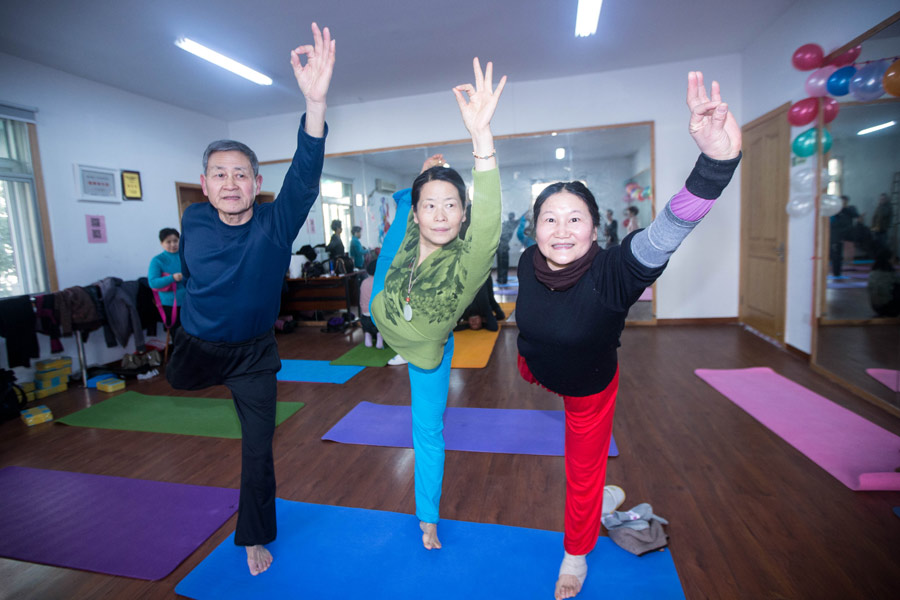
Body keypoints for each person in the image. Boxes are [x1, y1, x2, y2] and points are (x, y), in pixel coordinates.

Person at [515, 71, 741, 600]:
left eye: (576, 219)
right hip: (538, 364)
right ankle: (540, 378)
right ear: (535, 227)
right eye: (551, 219)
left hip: (590, 388)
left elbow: (671, 227)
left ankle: (577, 553)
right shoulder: (528, 260)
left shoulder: (618, 271)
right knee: (534, 356)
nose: (563, 230)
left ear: (596, 228)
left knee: (583, 471)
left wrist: (716, 164)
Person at [164, 22, 334, 576]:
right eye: (220, 174)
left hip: (254, 354)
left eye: (241, 174)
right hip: (195, 344)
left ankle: (255, 536)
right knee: (176, 380)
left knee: (258, 448)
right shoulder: (191, 220)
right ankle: (186, 353)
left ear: (256, 181)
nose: (231, 182)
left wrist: (314, 104)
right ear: (204, 183)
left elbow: (305, 179)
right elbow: (190, 269)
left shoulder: (274, 224)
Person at [369, 57, 505, 551]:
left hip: (427, 350)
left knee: (426, 430)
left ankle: (427, 516)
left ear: (463, 213)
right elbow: (419, 205)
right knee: (392, 253)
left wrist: (481, 141)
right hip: (386, 306)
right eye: (432, 205)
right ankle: (390, 322)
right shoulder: (412, 227)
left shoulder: (466, 260)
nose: (441, 214)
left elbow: (488, 217)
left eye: (452, 205)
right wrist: (424, 184)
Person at [148, 227, 186, 332]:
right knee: (178, 335)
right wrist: (172, 278)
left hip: (189, 302)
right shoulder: (157, 260)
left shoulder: (186, 255)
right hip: (170, 305)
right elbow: (153, 283)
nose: (173, 244)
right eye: (168, 242)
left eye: (175, 241)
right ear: (161, 243)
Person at [829, 195, 860, 277]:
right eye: (842, 202)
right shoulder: (835, 211)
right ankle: (836, 272)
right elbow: (832, 223)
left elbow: (856, 215)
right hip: (836, 236)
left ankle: (839, 271)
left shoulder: (849, 210)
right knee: (836, 255)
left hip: (846, 236)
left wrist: (846, 208)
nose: (843, 203)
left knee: (842, 256)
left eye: (845, 202)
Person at [358, 260, 383, 348]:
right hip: (377, 317)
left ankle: (367, 336)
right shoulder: (380, 282)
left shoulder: (364, 282)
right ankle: (380, 336)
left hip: (364, 316)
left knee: (367, 328)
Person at [868, 249, 900, 317]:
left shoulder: (872, 273)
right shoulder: (890, 274)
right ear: (888, 259)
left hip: (876, 308)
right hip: (889, 308)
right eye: (892, 258)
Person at [497, 211, 518, 284]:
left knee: (500, 264)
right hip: (504, 247)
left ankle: (500, 279)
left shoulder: (505, 223)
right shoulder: (511, 224)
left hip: (500, 246)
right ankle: (502, 280)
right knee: (504, 264)